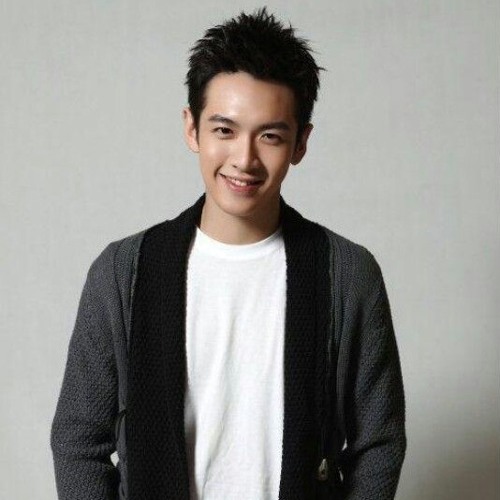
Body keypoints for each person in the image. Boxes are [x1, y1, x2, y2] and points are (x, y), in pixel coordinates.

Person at [50, 8, 406, 500]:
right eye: (224, 130)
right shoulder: (122, 272)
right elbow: (77, 439)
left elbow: (379, 442)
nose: (245, 159)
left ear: (301, 143)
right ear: (191, 128)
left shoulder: (347, 275)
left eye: (270, 135)